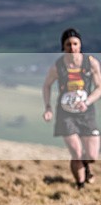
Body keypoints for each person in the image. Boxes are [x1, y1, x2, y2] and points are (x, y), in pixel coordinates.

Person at [42, 28, 101, 189]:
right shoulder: (58, 66)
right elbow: (46, 85)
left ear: (80, 45)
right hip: (65, 114)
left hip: (86, 112)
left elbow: (99, 88)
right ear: (63, 46)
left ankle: (86, 166)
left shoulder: (91, 63)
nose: (72, 47)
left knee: (92, 155)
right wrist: (48, 107)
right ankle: (80, 185)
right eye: (68, 44)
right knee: (76, 152)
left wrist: (87, 102)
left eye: (75, 43)